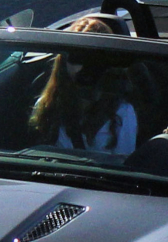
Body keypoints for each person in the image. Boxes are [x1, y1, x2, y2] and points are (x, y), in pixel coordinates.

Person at [29, 15, 142, 155]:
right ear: (63, 61)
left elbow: (123, 164)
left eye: (93, 61)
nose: (84, 69)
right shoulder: (47, 105)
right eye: (77, 59)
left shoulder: (122, 112)